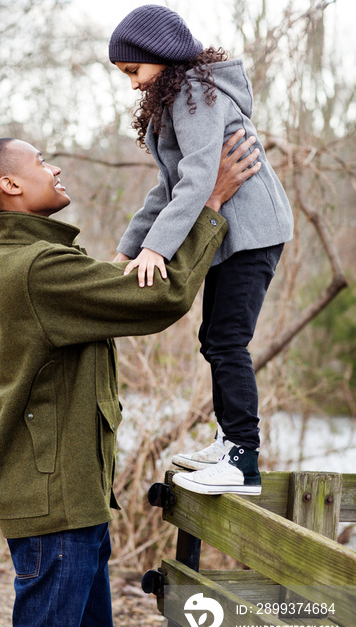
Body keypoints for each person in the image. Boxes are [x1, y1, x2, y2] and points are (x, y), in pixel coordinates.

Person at [0, 132, 259, 627]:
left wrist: (172, 201)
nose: (54, 169)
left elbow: (126, 284)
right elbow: (158, 299)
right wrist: (210, 204)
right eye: (41, 162)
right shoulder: (37, 268)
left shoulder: (47, 260)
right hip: (54, 506)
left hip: (77, 499)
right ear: (11, 184)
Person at [108, 4, 294, 496]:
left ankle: (242, 460)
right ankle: (229, 440)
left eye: (134, 70)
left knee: (227, 340)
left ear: (161, 56)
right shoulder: (179, 97)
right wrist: (130, 251)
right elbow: (166, 187)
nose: (131, 83)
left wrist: (157, 251)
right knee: (215, 339)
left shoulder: (196, 93)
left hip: (251, 231)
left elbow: (195, 182)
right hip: (234, 235)